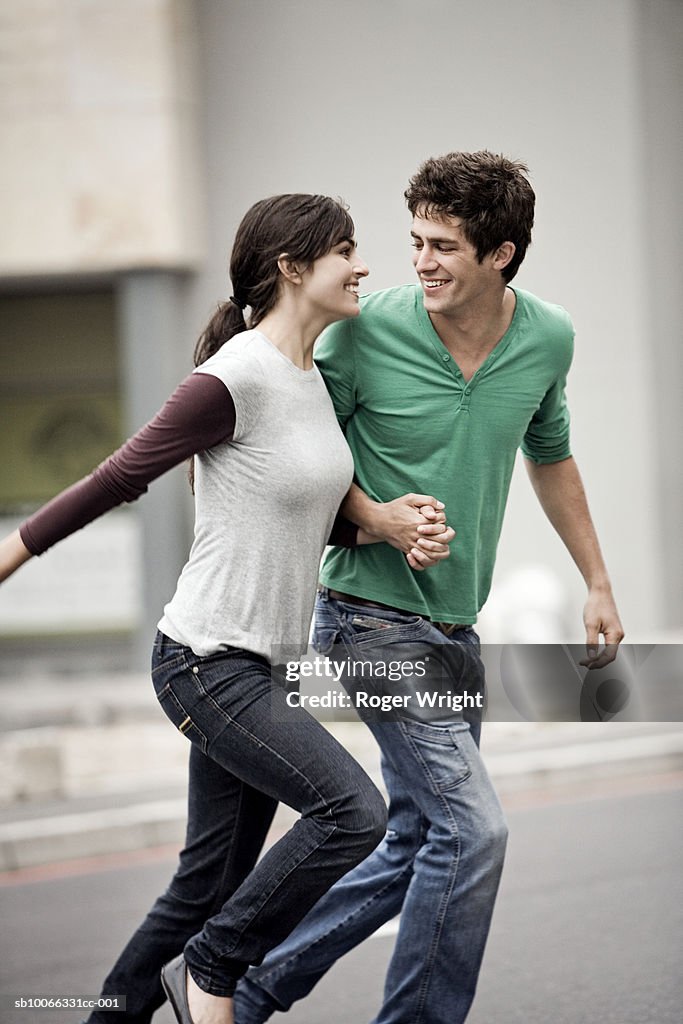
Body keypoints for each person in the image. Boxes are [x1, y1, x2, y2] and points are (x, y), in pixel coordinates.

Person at [0, 193, 455, 1024]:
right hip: (206, 661)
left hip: (261, 664)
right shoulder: (233, 376)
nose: (363, 266)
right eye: (344, 251)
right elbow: (118, 476)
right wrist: (13, 551)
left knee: (202, 883)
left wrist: (386, 526)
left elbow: (296, 515)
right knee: (351, 813)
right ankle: (210, 968)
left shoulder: (309, 377)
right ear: (291, 267)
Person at [233, 152, 626, 1024]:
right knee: (471, 832)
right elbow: (290, 458)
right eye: (413, 240)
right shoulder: (363, 330)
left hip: (455, 626)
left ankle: (239, 987)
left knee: (418, 838)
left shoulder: (547, 337)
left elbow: (549, 454)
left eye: (443, 245)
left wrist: (596, 580)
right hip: (365, 621)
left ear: (503, 254)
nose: (420, 262)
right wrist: (375, 517)